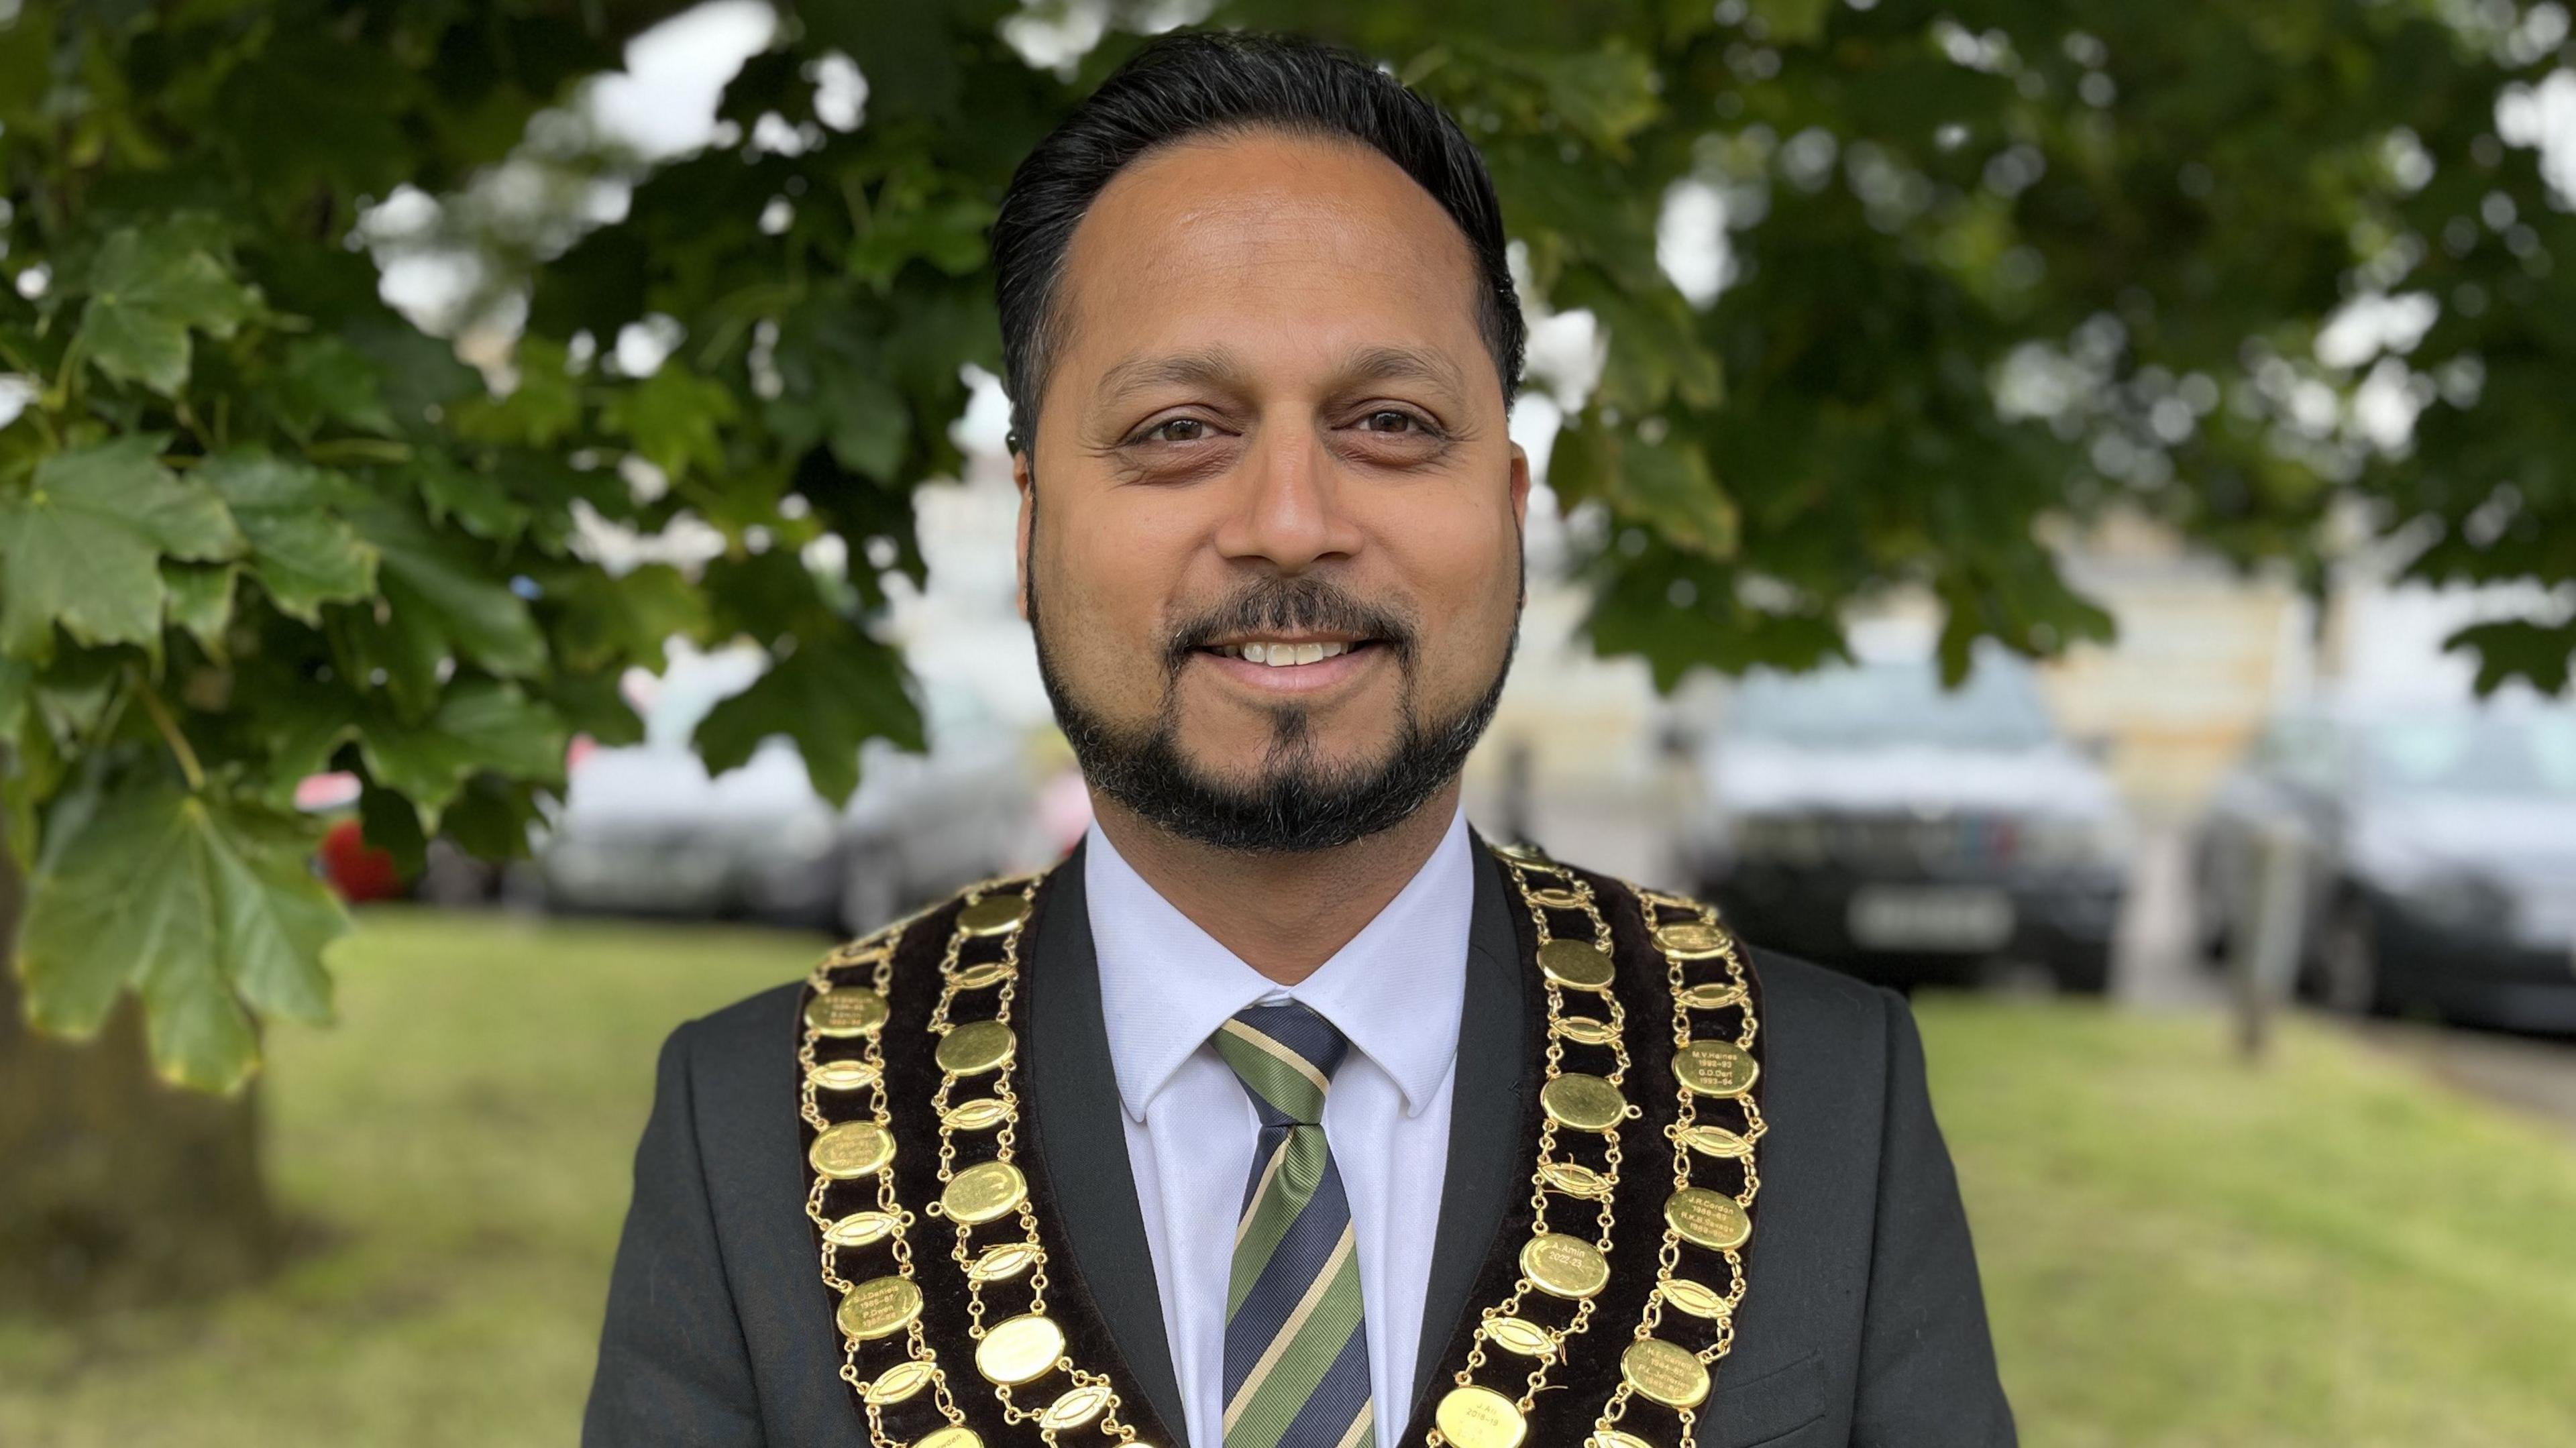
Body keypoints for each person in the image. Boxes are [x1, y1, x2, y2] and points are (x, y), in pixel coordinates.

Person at [583, 29, 2013, 1448]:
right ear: (1030, 530)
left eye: (1389, 422)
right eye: (1177, 429)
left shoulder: (1813, 1097)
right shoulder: (764, 1132)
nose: (1287, 522)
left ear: (1511, 511)